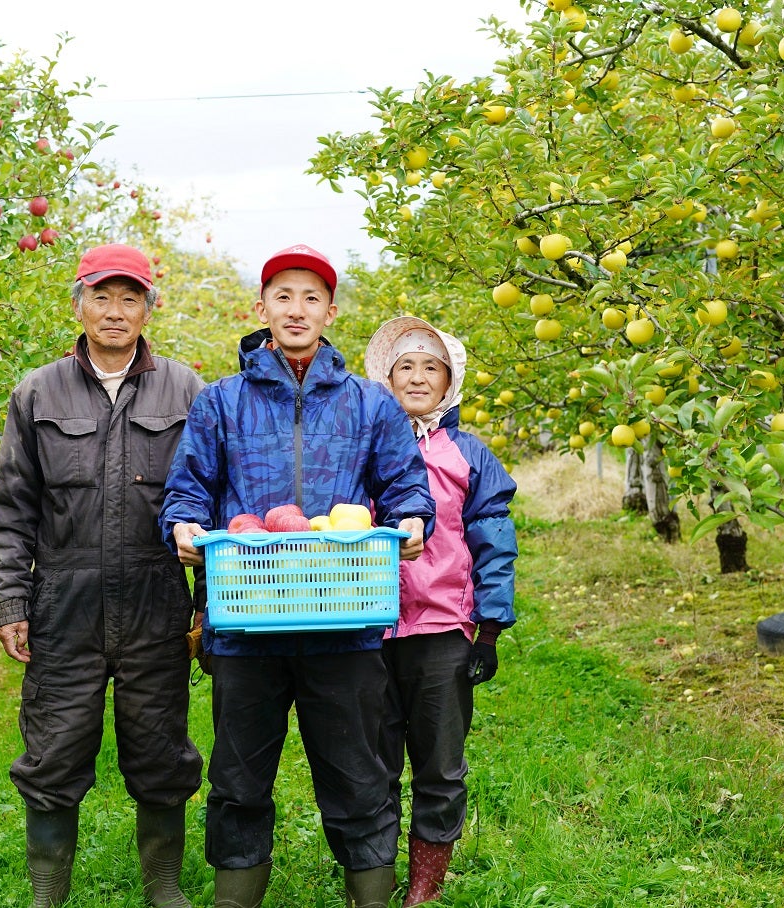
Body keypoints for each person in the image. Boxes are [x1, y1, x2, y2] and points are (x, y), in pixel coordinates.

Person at [160, 244, 437, 908]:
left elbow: (405, 485)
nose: (296, 309)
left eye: (311, 298)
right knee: (238, 780)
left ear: (330, 312)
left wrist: (412, 520)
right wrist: (184, 526)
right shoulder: (221, 403)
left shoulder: (370, 404)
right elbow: (189, 488)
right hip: (247, 620)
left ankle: (370, 897)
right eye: (283, 296)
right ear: (261, 308)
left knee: (359, 777)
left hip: (344, 617)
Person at [0, 243, 205, 908]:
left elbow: (212, 503)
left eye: (129, 298)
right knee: (53, 752)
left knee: (161, 750)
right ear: (78, 305)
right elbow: (12, 509)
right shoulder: (37, 392)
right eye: (102, 297)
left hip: (156, 600)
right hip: (64, 603)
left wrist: (208, 604)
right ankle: (48, 891)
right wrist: (11, 602)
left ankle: (163, 885)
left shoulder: (186, 390)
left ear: (148, 310)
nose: (115, 311)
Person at [363, 317, 518, 907]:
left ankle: (423, 886)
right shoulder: (364, 444)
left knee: (439, 764)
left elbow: (493, 539)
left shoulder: (468, 452)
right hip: (366, 623)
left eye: (432, 367)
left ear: (450, 381)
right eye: (405, 366)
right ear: (387, 378)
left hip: (441, 626)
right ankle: (372, 879)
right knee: (370, 764)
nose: (418, 377)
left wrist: (490, 628)